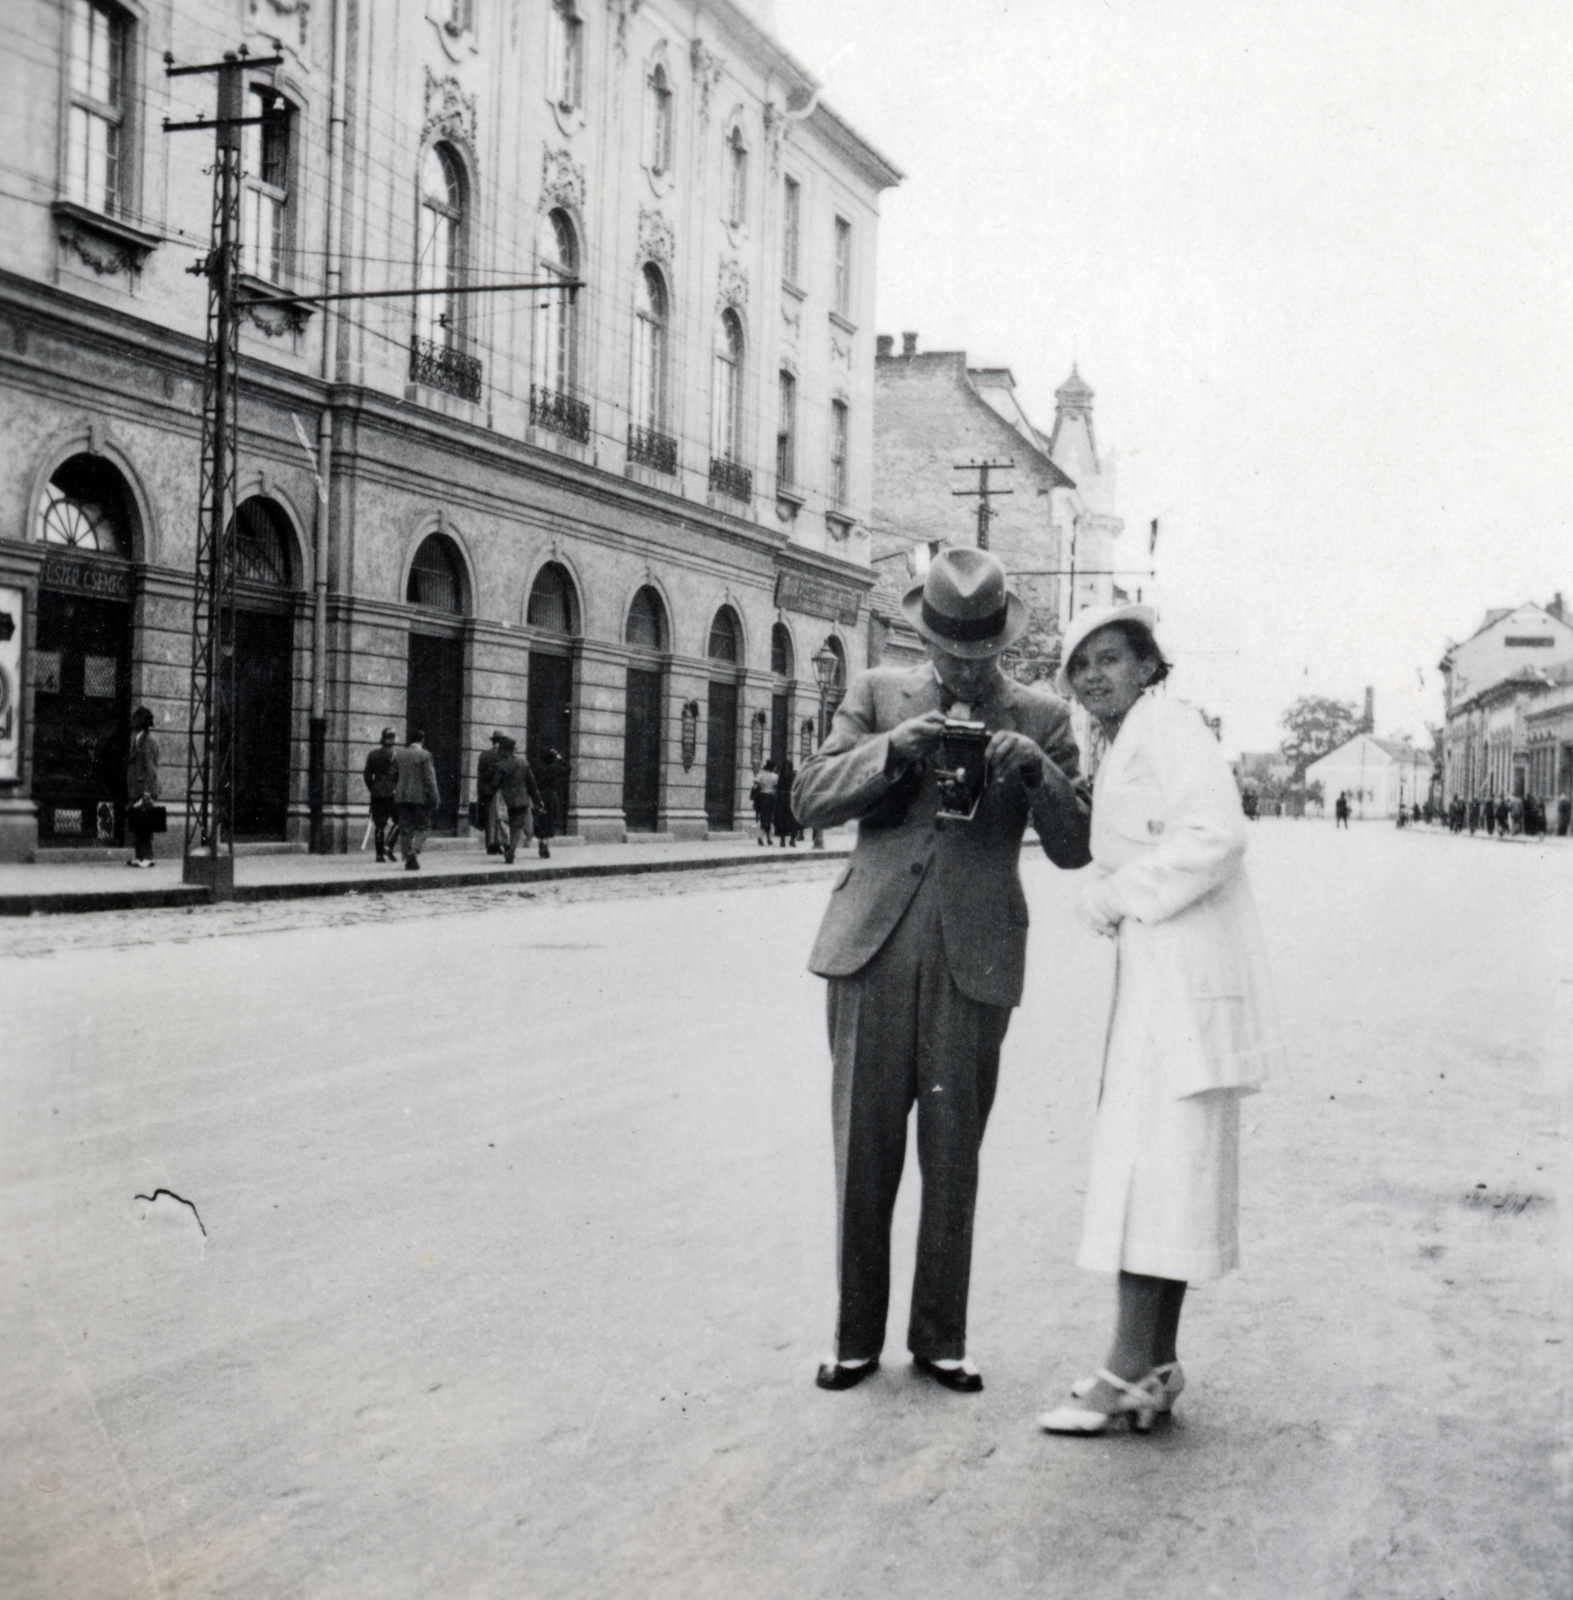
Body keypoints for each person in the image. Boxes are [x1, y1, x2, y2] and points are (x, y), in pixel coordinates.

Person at [792, 547, 1091, 1395]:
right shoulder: (878, 694)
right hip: (869, 951)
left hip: (974, 958)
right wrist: (894, 750)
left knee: (953, 1155)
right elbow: (808, 797)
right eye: (947, 648)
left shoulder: (1040, 717)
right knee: (863, 1150)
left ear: (1000, 639)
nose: (962, 664)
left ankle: (940, 1340)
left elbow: (1076, 849)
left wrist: (1035, 776)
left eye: (977, 650)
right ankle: (854, 1339)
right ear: (925, 635)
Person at [1037, 603, 1285, 1436]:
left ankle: (1123, 1372)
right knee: (1163, 1176)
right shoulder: (1125, 738)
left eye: (1110, 659)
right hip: (1163, 977)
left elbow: (1216, 836)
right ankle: (1154, 1368)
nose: (1094, 676)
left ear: (1148, 666)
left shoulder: (1169, 726)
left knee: (1152, 1173)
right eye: (1080, 667)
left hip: (1180, 979)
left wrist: (1113, 897)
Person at [393, 728, 440, 870]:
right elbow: (430, 779)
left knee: (405, 828)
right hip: (420, 798)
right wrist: (435, 798)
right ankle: (414, 851)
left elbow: (393, 776)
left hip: (401, 797)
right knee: (424, 826)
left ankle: (408, 858)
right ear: (422, 740)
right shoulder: (425, 755)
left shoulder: (399, 755)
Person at [492, 736, 541, 864]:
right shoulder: (524, 763)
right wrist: (538, 801)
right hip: (521, 801)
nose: (498, 751)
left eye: (500, 749)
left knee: (503, 826)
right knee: (516, 828)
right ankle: (511, 851)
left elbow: (495, 783)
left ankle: (508, 848)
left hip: (505, 801)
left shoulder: (500, 765)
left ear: (505, 750)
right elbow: (532, 785)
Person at [125, 706, 160, 868]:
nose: (132, 721)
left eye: (135, 718)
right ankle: (140, 856)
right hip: (136, 789)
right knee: (138, 823)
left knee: (145, 823)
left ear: (141, 722)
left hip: (143, 789)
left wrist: (147, 792)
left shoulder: (148, 742)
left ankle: (147, 856)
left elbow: (151, 770)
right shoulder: (138, 739)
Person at [363, 727, 400, 862]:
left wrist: (373, 787)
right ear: (393, 739)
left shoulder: (373, 754)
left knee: (379, 824)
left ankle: (379, 856)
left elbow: (367, 774)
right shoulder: (398, 755)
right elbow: (400, 776)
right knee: (400, 819)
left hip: (377, 793)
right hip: (393, 793)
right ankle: (388, 845)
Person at [534, 747, 568, 859]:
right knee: (550, 820)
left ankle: (542, 842)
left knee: (541, 820)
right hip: (551, 796)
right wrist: (560, 759)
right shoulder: (555, 768)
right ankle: (545, 843)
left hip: (540, 796)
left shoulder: (538, 768)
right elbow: (568, 769)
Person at [477, 731, 507, 855]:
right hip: (497, 789)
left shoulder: (484, 754)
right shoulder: (502, 755)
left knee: (488, 817)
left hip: (485, 790)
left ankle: (490, 845)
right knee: (498, 818)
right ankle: (497, 844)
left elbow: (480, 774)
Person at [773, 756, 801, 846]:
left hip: (782, 802)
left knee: (782, 821)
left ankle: (782, 840)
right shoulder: (794, 776)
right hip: (791, 802)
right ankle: (792, 840)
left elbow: (777, 788)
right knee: (792, 821)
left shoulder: (780, 776)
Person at [751, 759, 779, 845]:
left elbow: (755, 784)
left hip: (761, 797)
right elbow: (776, 787)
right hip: (770, 798)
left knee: (763, 817)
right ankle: (762, 836)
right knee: (769, 817)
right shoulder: (775, 776)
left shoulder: (761, 774)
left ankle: (768, 838)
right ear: (773, 767)